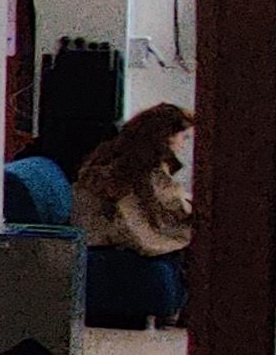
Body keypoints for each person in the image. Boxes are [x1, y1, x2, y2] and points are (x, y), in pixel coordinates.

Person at [69, 101, 196, 258]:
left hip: (92, 250)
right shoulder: (144, 170)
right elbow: (167, 208)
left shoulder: (109, 159)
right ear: (166, 137)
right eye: (184, 137)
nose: (183, 146)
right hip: (119, 254)